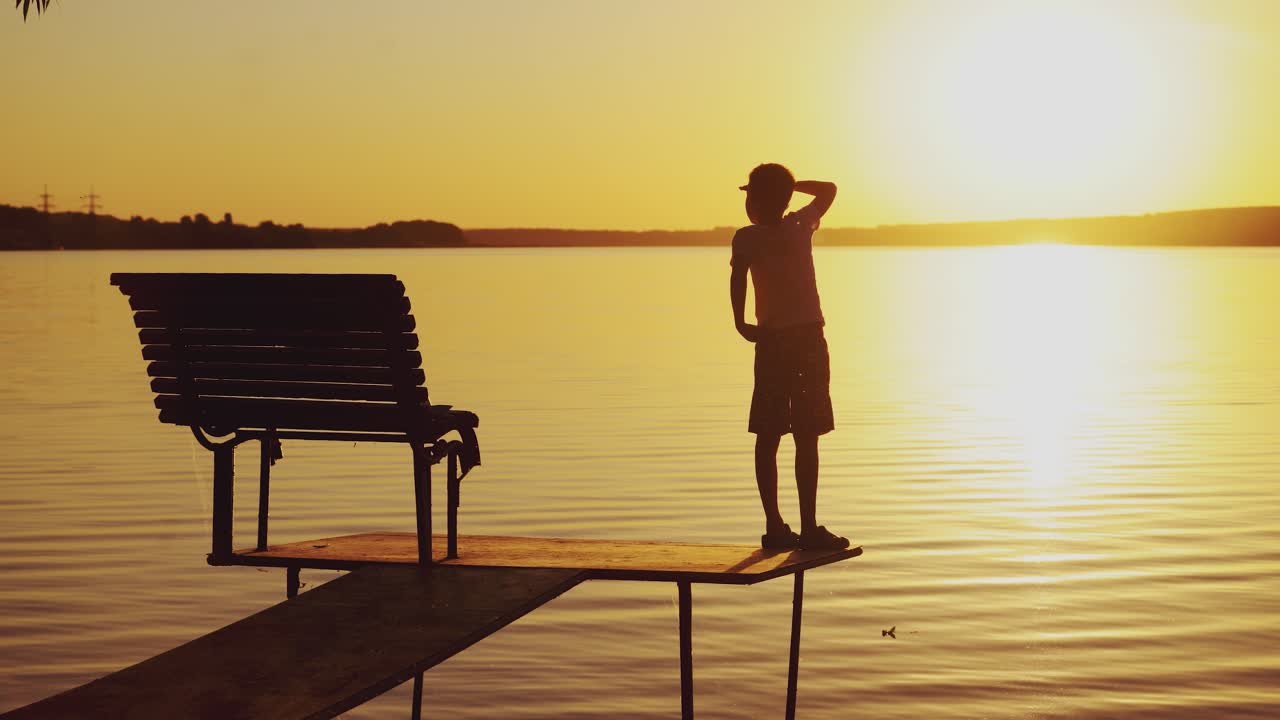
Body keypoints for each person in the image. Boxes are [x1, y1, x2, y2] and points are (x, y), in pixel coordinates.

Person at [729, 163, 849, 551]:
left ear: (760, 200)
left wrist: (740, 322)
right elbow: (828, 189)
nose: (747, 203)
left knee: (784, 435)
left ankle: (789, 526)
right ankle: (788, 526)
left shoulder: (757, 234)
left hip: (783, 342)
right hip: (799, 340)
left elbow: (737, 279)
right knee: (795, 436)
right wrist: (791, 186)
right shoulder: (797, 225)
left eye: (750, 195)